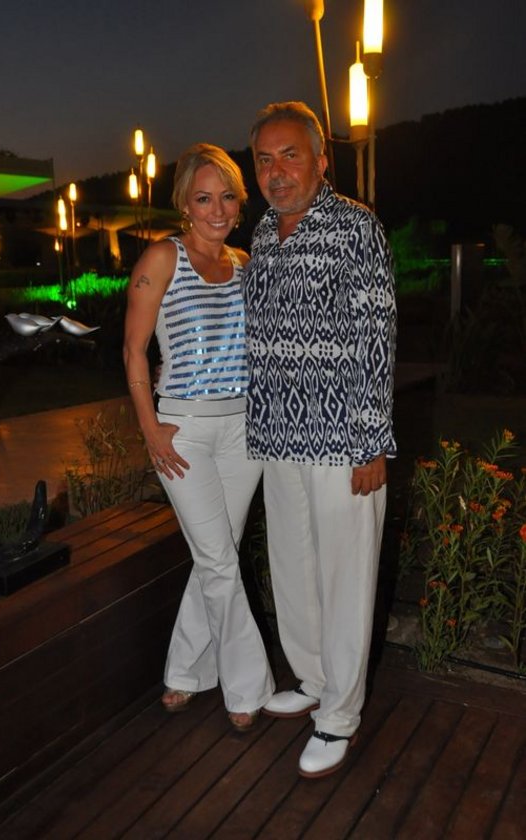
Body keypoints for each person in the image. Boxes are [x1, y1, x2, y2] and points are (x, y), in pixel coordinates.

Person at [243, 102, 396, 777]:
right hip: (279, 434)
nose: (277, 172)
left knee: (345, 577)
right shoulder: (262, 234)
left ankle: (340, 715)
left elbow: (376, 337)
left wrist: (372, 441)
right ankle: (311, 678)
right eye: (265, 160)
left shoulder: (357, 227)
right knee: (294, 569)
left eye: (290, 155)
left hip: (342, 438)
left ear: (320, 159)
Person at [123, 143, 275, 731]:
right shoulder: (163, 257)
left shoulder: (245, 263)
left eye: (227, 197)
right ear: (185, 204)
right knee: (216, 557)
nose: (218, 209)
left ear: (240, 201)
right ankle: (249, 685)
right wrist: (150, 428)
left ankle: (186, 671)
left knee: (218, 556)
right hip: (183, 429)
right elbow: (134, 350)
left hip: (245, 429)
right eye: (204, 198)